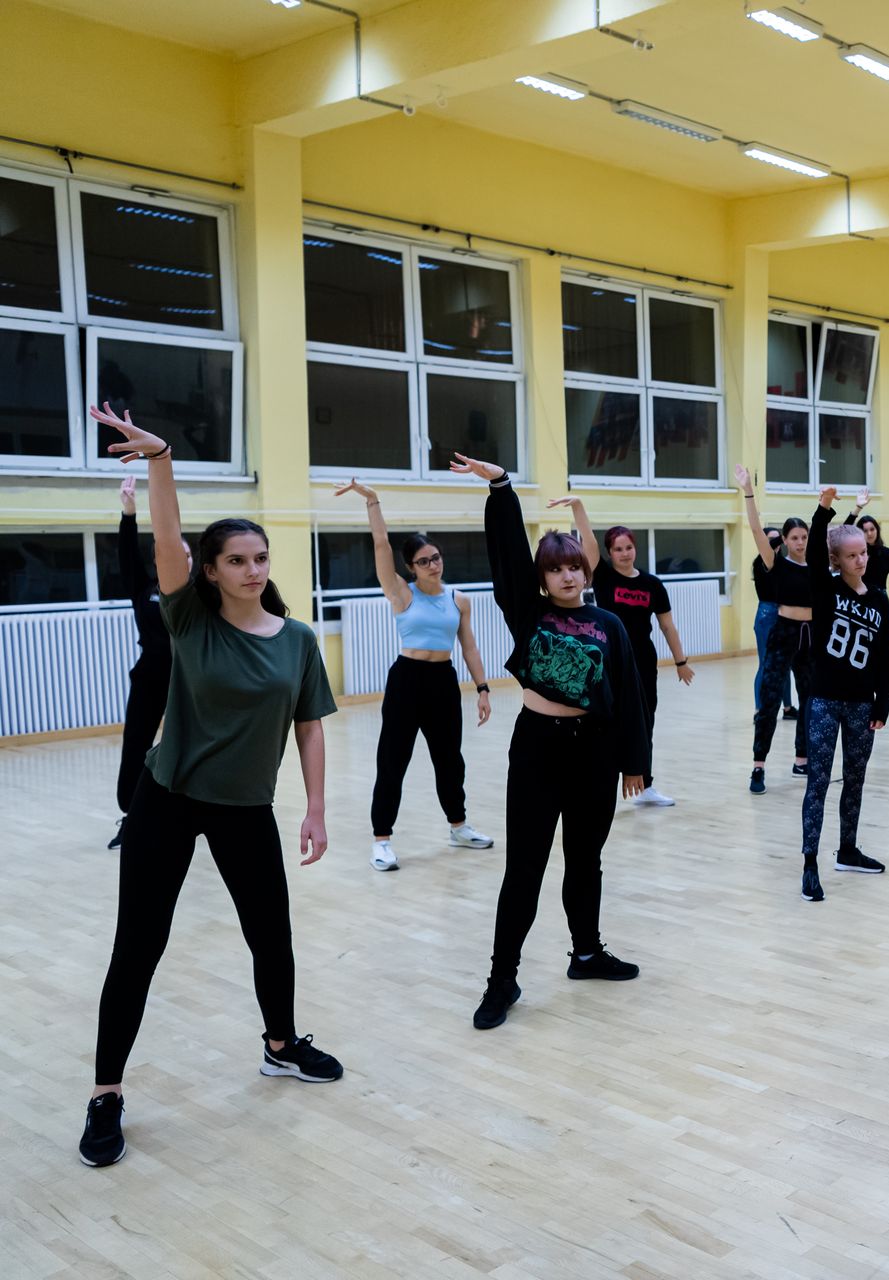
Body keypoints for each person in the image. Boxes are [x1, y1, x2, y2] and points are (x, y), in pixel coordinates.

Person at [81, 403, 341, 1169]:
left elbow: (310, 726)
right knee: (139, 946)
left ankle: (281, 1045)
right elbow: (166, 538)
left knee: (272, 935)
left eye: (260, 558)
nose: (253, 570)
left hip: (245, 808)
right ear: (212, 569)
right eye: (237, 560)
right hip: (167, 799)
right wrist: (161, 458)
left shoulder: (296, 640)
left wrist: (316, 808)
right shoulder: (190, 620)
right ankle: (105, 1093)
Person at [451, 453, 650, 1031]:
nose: (567, 576)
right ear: (542, 578)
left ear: (586, 572)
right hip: (538, 748)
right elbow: (508, 555)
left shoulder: (609, 625)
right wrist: (501, 488)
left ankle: (586, 954)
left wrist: (635, 762)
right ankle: (502, 979)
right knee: (525, 868)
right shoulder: (527, 611)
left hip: (595, 751)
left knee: (586, 860)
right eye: (556, 569)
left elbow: (630, 696)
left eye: (574, 568)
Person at [333, 480, 493, 871]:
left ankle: (458, 826)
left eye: (436, 557)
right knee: (393, 760)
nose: (433, 565)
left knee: (450, 760)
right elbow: (381, 545)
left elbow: (469, 647)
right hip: (407, 681)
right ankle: (381, 840)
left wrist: (483, 688)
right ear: (411, 568)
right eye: (424, 561)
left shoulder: (459, 599)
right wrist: (372, 501)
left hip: (443, 681)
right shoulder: (401, 593)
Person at [553, 497, 696, 808]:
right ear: (609, 553)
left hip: (642, 661)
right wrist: (578, 507)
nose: (624, 553)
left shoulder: (652, 584)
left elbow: (667, 626)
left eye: (628, 547)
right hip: (607, 661)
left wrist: (681, 661)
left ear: (635, 549)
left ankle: (644, 784)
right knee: (604, 722)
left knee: (644, 722)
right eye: (618, 549)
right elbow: (588, 542)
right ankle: (597, 782)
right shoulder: (603, 576)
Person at [797, 488, 889, 901]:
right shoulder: (825, 588)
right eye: (852, 555)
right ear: (837, 560)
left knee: (855, 779)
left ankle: (848, 850)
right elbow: (815, 551)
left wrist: (882, 701)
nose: (861, 560)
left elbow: (885, 655)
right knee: (818, 782)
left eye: (863, 553)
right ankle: (809, 864)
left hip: (861, 703)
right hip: (824, 700)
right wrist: (823, 510)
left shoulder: (879, 600)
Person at [109, 476, 182, 850]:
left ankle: (194, 812)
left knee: (189, 746)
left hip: (190, 681)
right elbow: (127, 557)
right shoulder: (144, 589)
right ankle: (132, 814)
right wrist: (129, 513)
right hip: (150, 677)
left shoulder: (198, 596)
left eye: (186, 555)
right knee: (136, 744)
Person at [737, 467, 813, 794]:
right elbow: (755, 528)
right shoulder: (776, 563)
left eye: (803, 537)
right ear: (784, 540)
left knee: (809, 700)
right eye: (794, 537)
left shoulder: (817, 565)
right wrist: (748, 492)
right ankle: (758, 767)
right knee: (769, 700)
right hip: (783, 634)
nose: (800, 542)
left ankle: (802, 759)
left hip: (810, 637)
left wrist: (854, 510)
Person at [750, 526, 798, 721]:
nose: (775, 543)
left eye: (777, 540)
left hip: (784, 613)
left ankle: (787, 707)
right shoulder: (760, 561)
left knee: (785, 664)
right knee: (765, 664)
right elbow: (768, 547)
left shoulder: (783, 563)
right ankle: (759, 710)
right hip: (767, 615)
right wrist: (785, 536)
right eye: (771, 539)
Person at [840, 488, 889, 607]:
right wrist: (858, 508)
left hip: (880, 600)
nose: (870, 533)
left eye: (872, 529)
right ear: (859, 533)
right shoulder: (857, 554)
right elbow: (843, 531)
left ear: (877, 530)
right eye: (865, 530)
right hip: (860, 598)